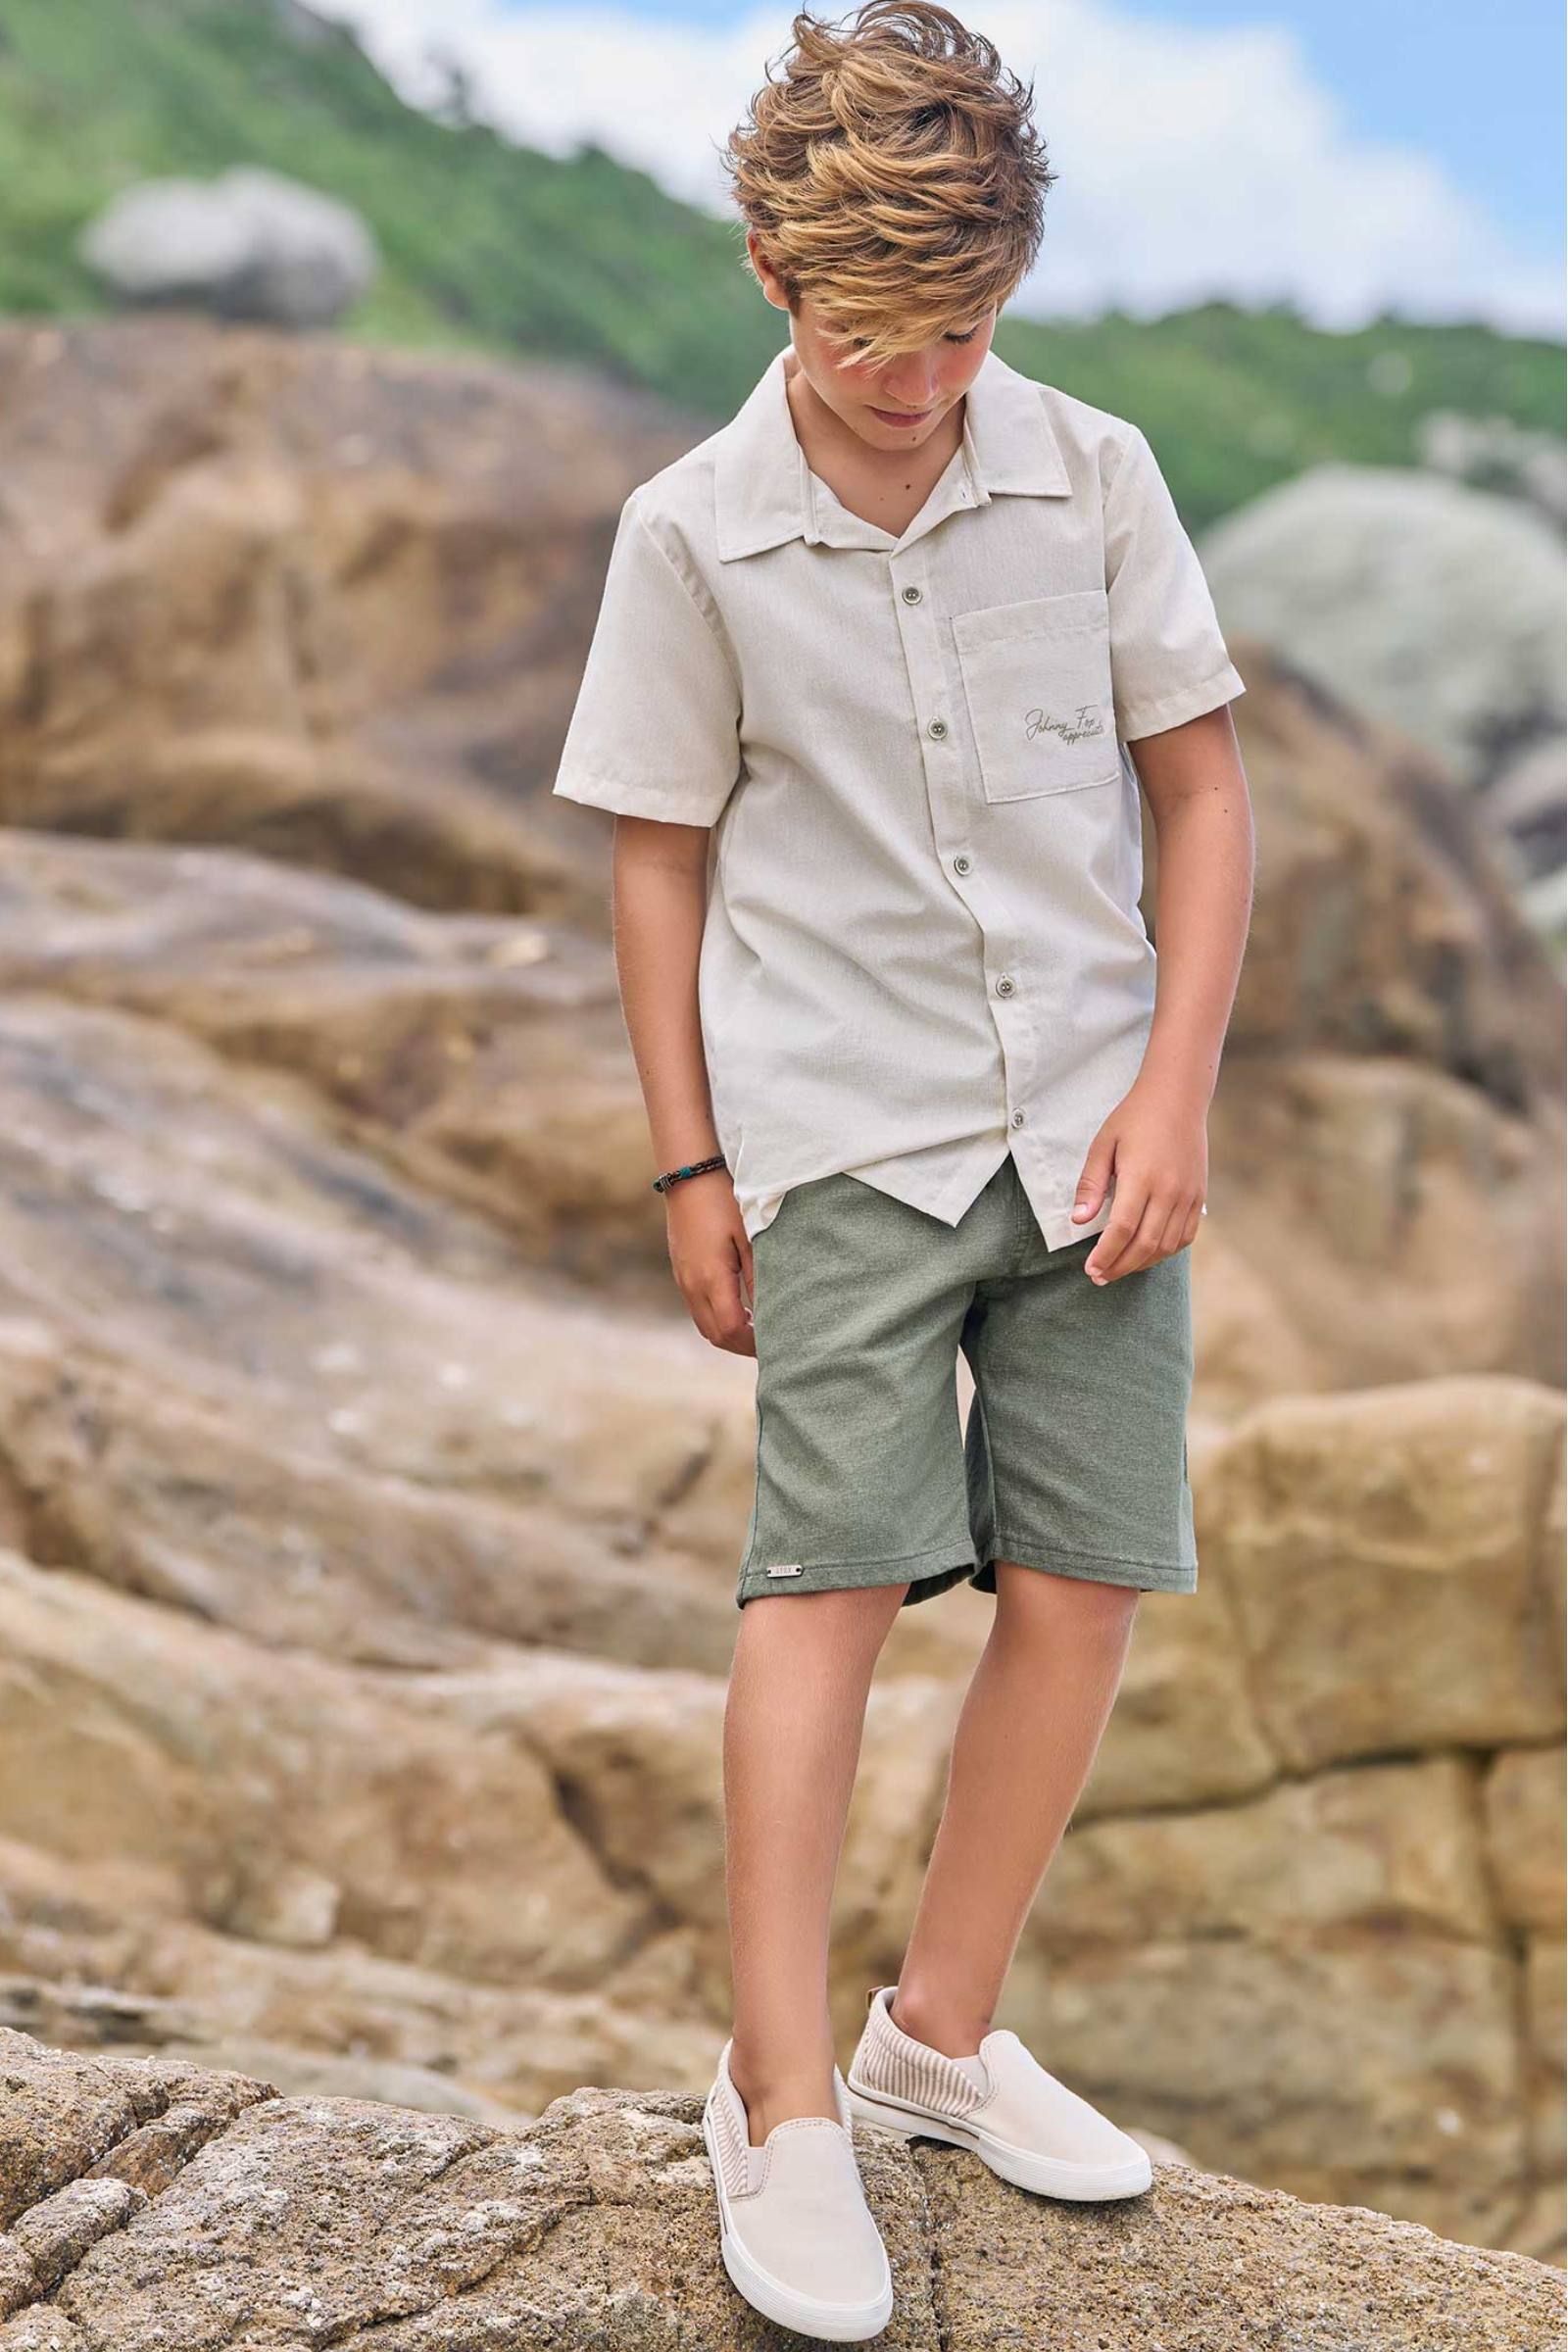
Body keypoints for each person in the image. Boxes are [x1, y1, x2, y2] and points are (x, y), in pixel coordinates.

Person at [552, 0, 1254, 2334]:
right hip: (840, 1127)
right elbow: (655, 858)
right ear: (770, 274)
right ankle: (775, 2102)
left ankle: (932, 2040)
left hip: (1088, 1126)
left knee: (1083, 1581)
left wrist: (1173, 1088)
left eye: (957, 332)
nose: (915, 380)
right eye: (867, 336)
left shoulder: (1094, 475)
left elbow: (1198, 794)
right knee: (826, 1586)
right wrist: (689, 1169)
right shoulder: (690, 533)